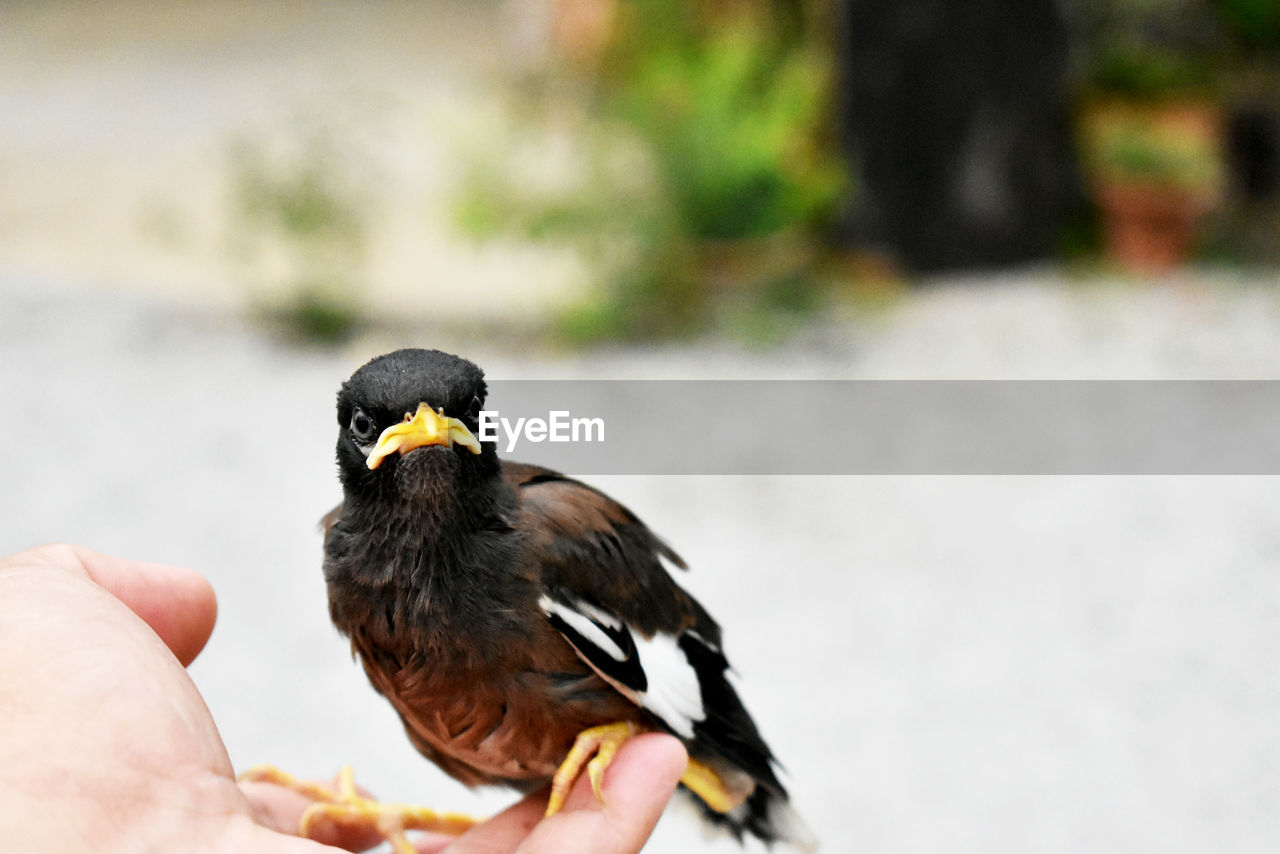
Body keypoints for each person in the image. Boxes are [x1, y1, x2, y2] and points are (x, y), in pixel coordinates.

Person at [0, 545, 685, 853]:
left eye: (450, 419)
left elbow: (672, 665)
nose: (420, 430)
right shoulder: (353, 562)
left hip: (649, 724)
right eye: (377, 425)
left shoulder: (544, 545)